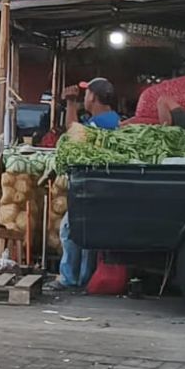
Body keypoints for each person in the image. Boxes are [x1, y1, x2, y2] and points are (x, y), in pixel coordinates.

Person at [51, 77, 121, 292]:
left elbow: (74, 135)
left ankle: (70, 278)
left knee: (70, 229)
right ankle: (81, 278)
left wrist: (71, 103)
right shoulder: (105, 119)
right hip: (96, 187)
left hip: (95, 188)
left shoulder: (105, 121)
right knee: (81, 232)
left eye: (87, 93)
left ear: (94, 97)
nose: (85, 97)